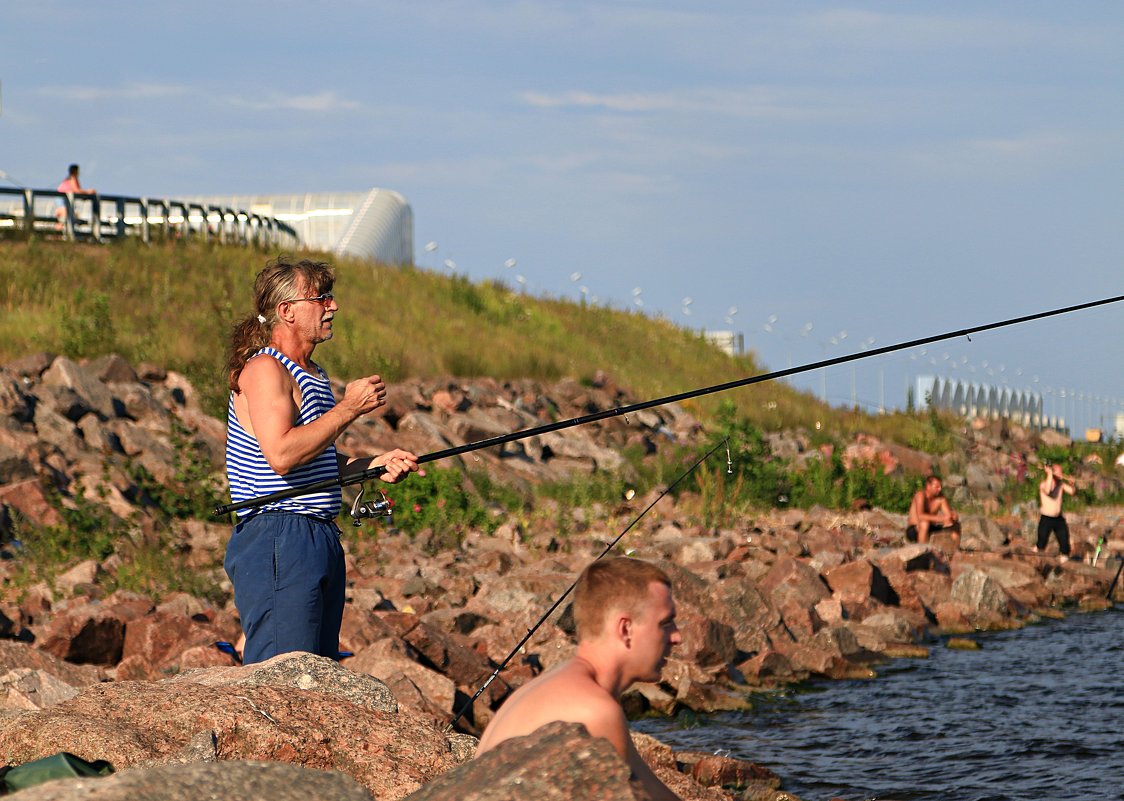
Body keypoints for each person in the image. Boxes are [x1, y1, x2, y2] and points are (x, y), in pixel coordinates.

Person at [223, 256, 421, 665]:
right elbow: (281, 454)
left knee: (316, 676)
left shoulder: (312, 373)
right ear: (287, 310)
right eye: (322, 298)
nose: (333, 307)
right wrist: (349, 408)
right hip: (279, 533)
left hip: (318, 536)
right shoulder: (265, 369)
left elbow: (315, 461)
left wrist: (374, 465)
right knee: (284, 677)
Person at [476, 557, 683, 801]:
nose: (676, 637)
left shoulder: (548, 688)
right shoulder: (594, 711)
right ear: (625, 629)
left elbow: (652, 791)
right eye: (666, 623)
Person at [1035, 463, 1075, 561]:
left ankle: (1064, 560)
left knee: (1064, 542)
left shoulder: (1061, 485)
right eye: (1059, 472)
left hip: (1058, 518)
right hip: (1046, 518)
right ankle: (1035, 559)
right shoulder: (1043, 484)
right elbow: (1048, 491)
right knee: (1041, 543)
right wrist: (1049, 474)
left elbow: (1071, 491)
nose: (1062, 474)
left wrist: (1071, 483)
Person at [906, 475, 960, 546]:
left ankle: (955, 550)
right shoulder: (920, 495)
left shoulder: (941, 498)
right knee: (924, 523)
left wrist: (952, 517)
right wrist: (941, 518)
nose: (940, 489)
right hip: (915, 529)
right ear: (928, 486)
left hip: (930, 528)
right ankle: (922, 550)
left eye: (940, 487)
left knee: (955, 525)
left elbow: (948, 515)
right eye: (937, 487)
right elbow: (920, 516)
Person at [54, 164, 96, 228]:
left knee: (64, 217)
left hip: (63, 198)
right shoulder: (73, 178)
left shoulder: (70, 178)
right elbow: (76, 190)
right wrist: (89, 192)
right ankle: (57, 234)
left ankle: (57, 234)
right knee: (64, 217)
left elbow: (77, 191)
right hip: (62, 198)